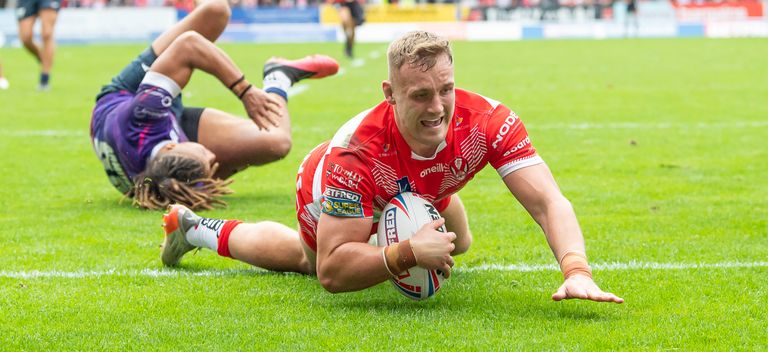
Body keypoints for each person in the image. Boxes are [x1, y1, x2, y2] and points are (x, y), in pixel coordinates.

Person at [160, 31, 624, 304]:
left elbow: (548, 201)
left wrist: (576, 269)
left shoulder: (488, 121)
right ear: (390, 93)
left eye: (446, 89)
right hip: (326, 185)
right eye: (420, 95)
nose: (438, 106)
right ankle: (197, 228)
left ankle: (410, 202)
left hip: (412, 183)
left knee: (459, 244)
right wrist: (402, 252)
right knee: (308, 261)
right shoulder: (353, 156)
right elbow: (334, 275)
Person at [90, 0, 339, 211]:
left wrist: (245, 90)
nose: (212, 154)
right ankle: (279, 76)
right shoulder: (171, 181)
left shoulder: (143, 114)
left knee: (215, 14)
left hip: (126, 97)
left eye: (203, 154)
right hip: (157, 134)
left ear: (174, 148)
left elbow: (190, 44)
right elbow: (193, 184)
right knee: (276, 142)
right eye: (210, 162)